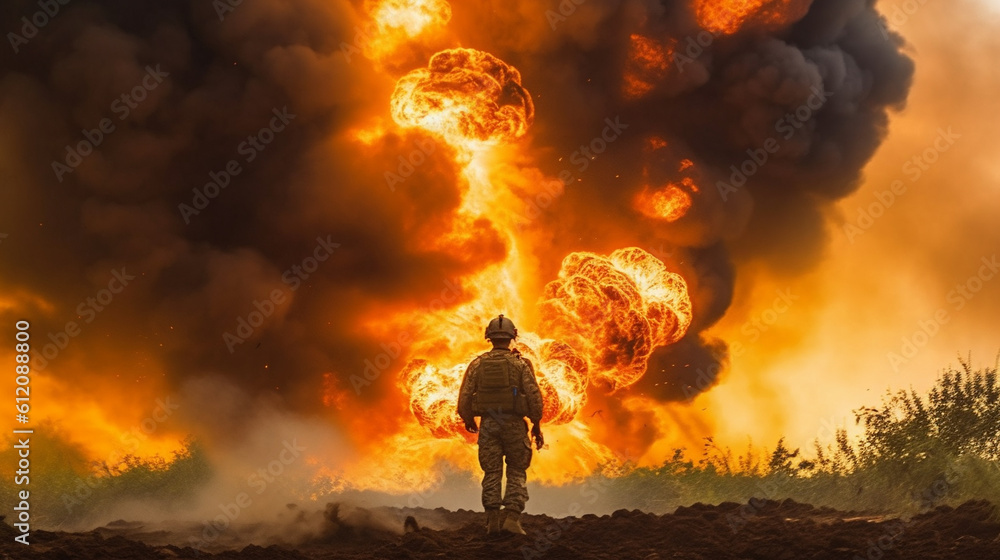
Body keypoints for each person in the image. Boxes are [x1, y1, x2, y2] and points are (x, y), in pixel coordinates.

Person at [458, 314, 545, 535]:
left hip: (489, 424)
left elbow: (465, 396)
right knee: (517, 470)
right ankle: (512, 519)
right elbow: (534, 395)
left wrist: (468, 419)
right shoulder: (520, 364)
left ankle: (492, 522)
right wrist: (536, 424)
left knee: (491, 472)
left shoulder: (477, 364)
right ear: (512, 337)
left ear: (489, 337)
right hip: (514, 424)